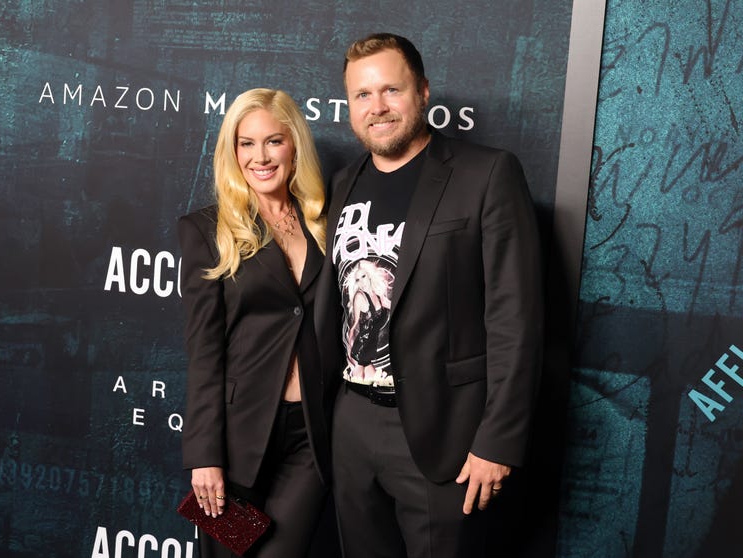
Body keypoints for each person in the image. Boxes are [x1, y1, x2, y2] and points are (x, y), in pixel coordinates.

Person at [314, 33, 544, 557]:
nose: (378, 108)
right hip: (350, 423)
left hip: (444, 431)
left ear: (422, 91)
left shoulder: (486, 174)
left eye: (391, 90)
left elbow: (516, 318)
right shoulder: (344, 182)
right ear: (349, 107)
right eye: (362, 96)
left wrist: (498, 440)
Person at [178, 88, 336, 557]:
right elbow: (204, 352)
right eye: (246, 143)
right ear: (232, 151)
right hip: (237, 437)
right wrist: (205, 456)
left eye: (274, 141)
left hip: (312, 434)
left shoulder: (327, 222)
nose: (260, 157)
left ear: (294, 147)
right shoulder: (207, 230)